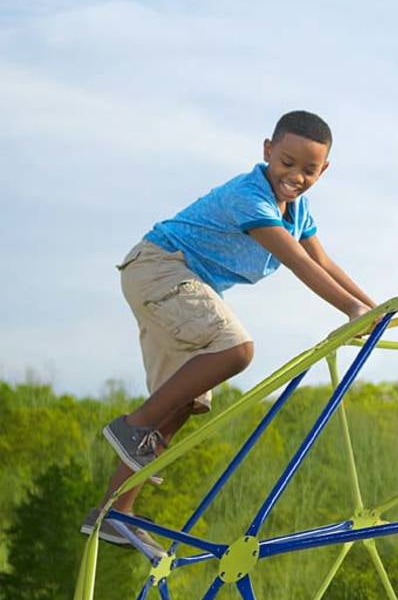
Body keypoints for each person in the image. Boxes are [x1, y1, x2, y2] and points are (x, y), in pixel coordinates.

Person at [83, 110, 376, 558]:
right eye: (286, 162)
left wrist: (373, 308)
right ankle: (133, 426)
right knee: (236, 349)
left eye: (309, 170)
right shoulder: (250, 198)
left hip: (177, 283)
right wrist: (351, 310)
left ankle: (112, 515)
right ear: (267, 152)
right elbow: (297, 262)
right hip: (161, 268)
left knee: (184, 400)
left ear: (324, 171)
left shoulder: (299, 210)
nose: (295, 177)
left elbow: (324, 262)